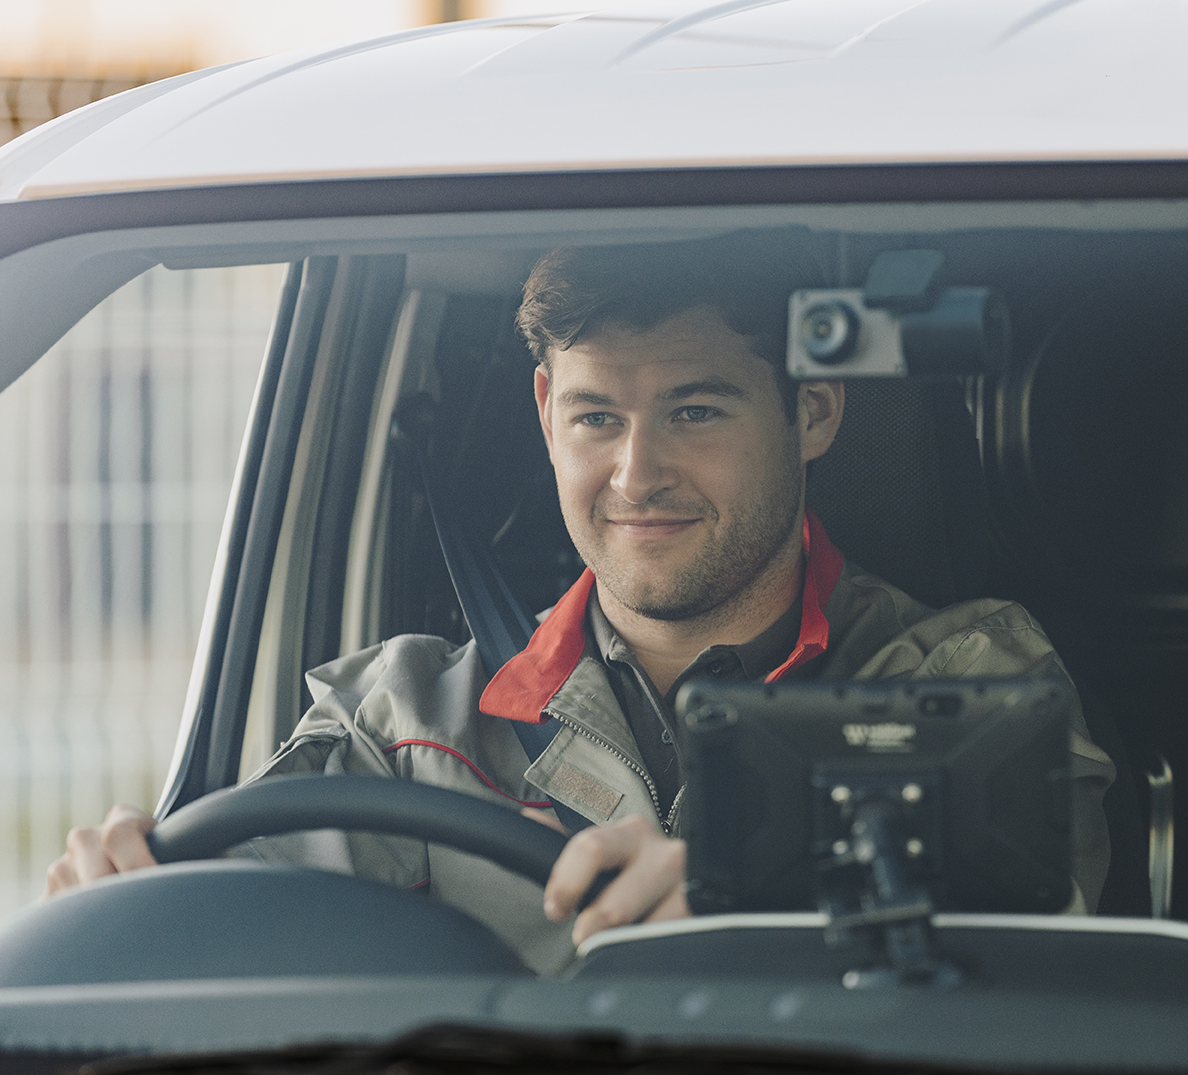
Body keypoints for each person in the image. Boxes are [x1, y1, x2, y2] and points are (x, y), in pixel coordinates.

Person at [43, 235, 1115, 973]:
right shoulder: (404, 723)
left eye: (695, 410)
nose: (635, 473)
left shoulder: (962, 681)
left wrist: (763, 911)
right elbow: (228, 941)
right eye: (598, 416)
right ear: (548, 411)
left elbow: (1038, 944)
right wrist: (131, 891)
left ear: (814, 413)